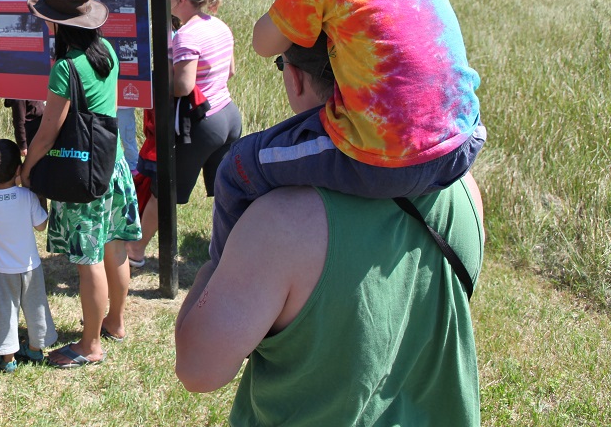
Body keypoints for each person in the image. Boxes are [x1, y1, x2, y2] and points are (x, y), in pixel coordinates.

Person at [174, 36, 483, 425]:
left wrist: (215, 266)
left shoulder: (279, 222)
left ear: (296, 78)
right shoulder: (462, 186)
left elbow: (197, 370)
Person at [214, 0, 485, 268]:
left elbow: (264, 43)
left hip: (387, 158)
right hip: (463, 140)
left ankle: (226, 275)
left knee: (237, 167)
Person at [19, 0, 141, 368]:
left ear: (58, 25)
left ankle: (89, 346)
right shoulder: (107, 50)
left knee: (88, 260)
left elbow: (48, 132)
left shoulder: (65, 67)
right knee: (116, 246)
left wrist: (28, 167)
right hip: (114, 163)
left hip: (84, 172)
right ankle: (116, 324)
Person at [129, 0, 241, 266]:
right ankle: (227, 251)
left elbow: (183, 86)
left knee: (163, 188)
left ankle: (136, 251)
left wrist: (154, 83)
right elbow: (230, 71)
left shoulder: (186, 35)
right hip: (229, 114)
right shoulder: (218, 24)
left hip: (202, 124)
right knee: (224, 190)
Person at [0, 139, 56, 372]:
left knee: (5, 310)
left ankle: (7, 357)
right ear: (19, 170)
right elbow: (41, 226)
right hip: (30, 265)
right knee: (36, 305)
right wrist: (39, 196)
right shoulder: (27, 197)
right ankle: (35, 347)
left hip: (1, 269)